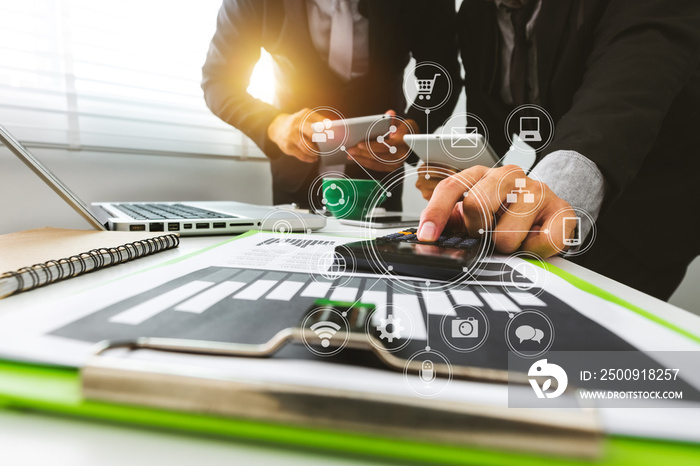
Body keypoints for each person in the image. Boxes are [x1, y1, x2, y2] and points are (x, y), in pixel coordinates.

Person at [416, 0, 700, 300]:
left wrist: (547, 196)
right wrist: (468, 178)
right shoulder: (478, 13)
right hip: (551, 200)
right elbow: (491, 123)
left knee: (582, 337)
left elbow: (624, 92)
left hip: (646, 213)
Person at [201, 0, 460, 209]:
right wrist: (275, 125)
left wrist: (412, 128)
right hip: (294, 174)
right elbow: (219, 81)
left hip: (379, 176)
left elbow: (441, 76)